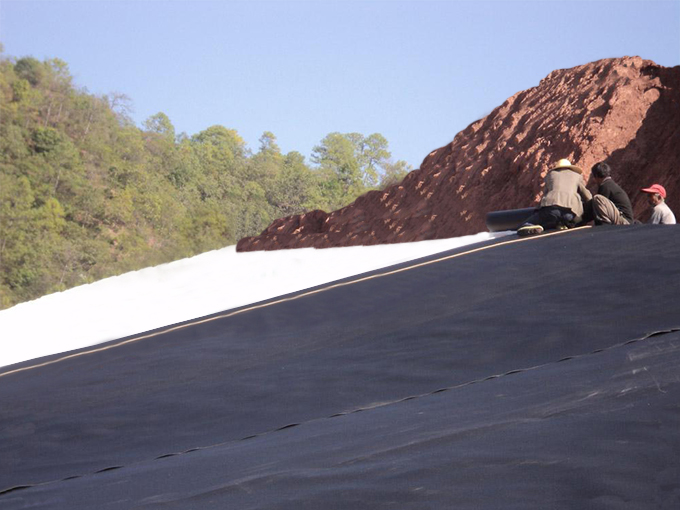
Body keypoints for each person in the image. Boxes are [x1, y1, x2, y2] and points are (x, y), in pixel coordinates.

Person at [517, 158, 592, 236]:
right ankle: (565, 223)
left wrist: (537, 211)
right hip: (570, 213)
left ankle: (537, 226)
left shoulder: (550, 175)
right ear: (570, 167)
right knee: (567, 219)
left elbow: (545, 195)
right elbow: (587, 196)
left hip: (551, 210)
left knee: (528, 223)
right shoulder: (577, 176)